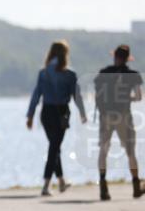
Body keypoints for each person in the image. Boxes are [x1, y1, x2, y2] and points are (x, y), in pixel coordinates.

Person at [26, 40, 88, 196]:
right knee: (54, 147)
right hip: (61, 113)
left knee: (54, 147)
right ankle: (46, 184)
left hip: (46, 113)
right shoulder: (70, 74)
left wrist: (30, 115)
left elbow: (36, 95)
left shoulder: (43, 72)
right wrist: (82, 112)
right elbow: (76, 96)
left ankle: (60, 181)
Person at [93, 44, 143, 200]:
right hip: (124, 115)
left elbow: (97, 94)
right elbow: (138, 97)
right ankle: (136, 186)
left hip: (106, 115)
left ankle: (103, 186)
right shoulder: (133, 75)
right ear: (127, 59)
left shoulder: (103, 73)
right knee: (130, 152)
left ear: (114, 56)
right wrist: (128, 98)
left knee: (104, 150)